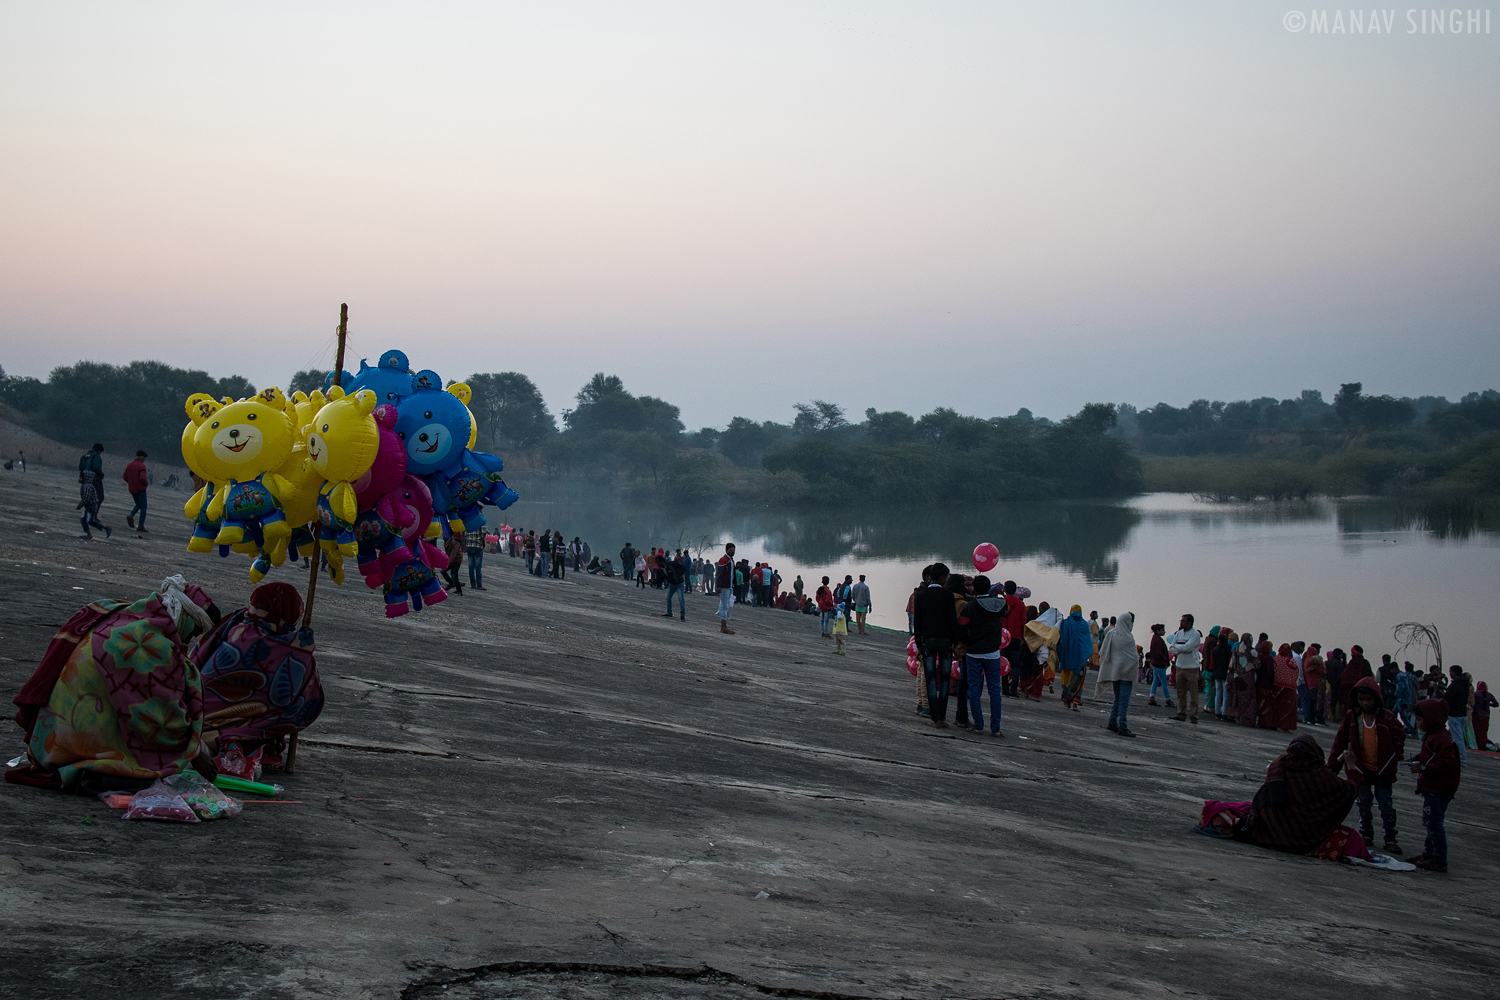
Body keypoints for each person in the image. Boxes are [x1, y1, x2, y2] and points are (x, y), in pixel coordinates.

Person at [7, 575, 219, 792]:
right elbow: (157, 716)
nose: (187, 641)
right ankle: (88, 774)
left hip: (52, 737)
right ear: (186, 617)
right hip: (73, 741)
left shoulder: (123, 614)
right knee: (153, 778)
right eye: (193, 632)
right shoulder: (153, 644)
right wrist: (193, 753)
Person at [1225, 735, 1365, 860]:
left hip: (1270, 832)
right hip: (1306, 837)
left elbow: (1262, 801)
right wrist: (1351, 765)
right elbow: (1349, 791)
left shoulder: (1277, 767)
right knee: (1351, 838)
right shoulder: (1322, 776)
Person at [1328, 676, 1406, 855]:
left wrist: (1395, 757)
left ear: (1376, 698)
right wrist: (1332, 769)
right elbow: (1339, 742)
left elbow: (1399, 736)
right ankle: (1367, 834)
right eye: (1361, 699)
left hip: (1383, 770)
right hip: (1360, 770)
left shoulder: (1387, 717)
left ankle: (1390, 837)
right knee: (1363, 803)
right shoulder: (1352, 717)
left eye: (1368, 699)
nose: (1365, 703)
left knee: (1386, 804)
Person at [1405, 698, 1461, 872]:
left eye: (1420, 719)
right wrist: (1415, 759)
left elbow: (1446, 764)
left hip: (1439, 789)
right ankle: (1429, 853)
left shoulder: (1441, 739)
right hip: (1433, 789)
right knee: (1430, 823)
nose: (1417, 723)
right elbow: (1430, 756)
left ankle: (1439, 858)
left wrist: (1423, 768)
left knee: (1435, 824)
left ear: (1431, 719)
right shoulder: (1433, 737)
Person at [957, 575, 1007, 736]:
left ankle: (978, 725)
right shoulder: (1000, 604)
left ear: (975, 589)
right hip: (993, 653)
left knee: (973, 689)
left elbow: (961, 625)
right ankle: (996, 728)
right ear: (990, 588)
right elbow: (1007, 612)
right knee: (994, 690)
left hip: (974, 652)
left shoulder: (971, 606)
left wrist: (967, 640)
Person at [912, 562, 959, 728]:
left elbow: (917, 623)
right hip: (945, 640)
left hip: (927, 641)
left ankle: (935, 718)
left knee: (930, 678)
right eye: (946, 577)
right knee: (944, 679)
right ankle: (942, 716)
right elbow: (952, 621)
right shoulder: (947, 595)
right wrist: (955, 642)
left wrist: (918, 644)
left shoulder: (921, 595)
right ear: (941, 577)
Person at [1097, 611, 1139, 737]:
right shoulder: (1128, 637)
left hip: (1115, 671)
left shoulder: (1111, 633)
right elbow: (1133, 657)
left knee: (1117, 698)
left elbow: (1105, 651)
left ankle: (1112, 722)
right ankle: (1123, 726)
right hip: (1126, 673)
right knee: (1124, 700)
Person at [1056, 605, 1093, 712]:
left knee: (1067, 677)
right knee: (1078, 679)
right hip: (1080, 658)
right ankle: (1075, 703)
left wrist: (1060, 653)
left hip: (1067, 655)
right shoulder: (1084, 624)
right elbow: (1087, 643)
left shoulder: (1066, 623)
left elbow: (1061, 639)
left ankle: (1067, 700)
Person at [1168, 614, 1203, 724]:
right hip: (1180, 666)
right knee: (1180, 692)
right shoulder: (1178, 633)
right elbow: (1171, 648)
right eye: (1181, 620)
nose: (1181, 623)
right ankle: (1181, 713)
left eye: (1183, 621)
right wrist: (1181, 648)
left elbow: (1188, 648)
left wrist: (1178, 647)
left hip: (1192, 667)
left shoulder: (1195, 634)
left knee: (1193, 693)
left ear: (1190, 622)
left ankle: (1194, 715)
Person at [1269, 643, 1299, 732]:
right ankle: (1284, 726)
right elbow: (1296, 673)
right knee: (1287, 708)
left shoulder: (1277, 659)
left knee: (1277, 707)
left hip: (1277, 686)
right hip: (1290, 688)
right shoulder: (1292, 661)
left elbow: (1274, 671)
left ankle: (1275, 724)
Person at [1444, 665, 1471, 766]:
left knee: (1457, 738)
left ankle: (1462, 760)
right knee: (1456, 736)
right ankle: (1454, 756)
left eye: (1450, 671)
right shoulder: (1465, 685)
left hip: (1454, 714)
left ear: (1454, 672)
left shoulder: (1455, 685)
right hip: (1463, 713)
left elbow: (1447, 698)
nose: (1450, 673)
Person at [1232, 630, 1258, 726]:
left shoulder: (1236, 649)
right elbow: (1257, 665)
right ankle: (1247, 720)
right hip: (1248, 680)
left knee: (1239, 699)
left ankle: (1239, 718)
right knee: (1249, 700)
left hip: (1237, 678)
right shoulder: (1252, 651)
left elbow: (1232, 664)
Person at [77, 470, 111, 539]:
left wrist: (80, 505)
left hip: (91, 506)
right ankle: (89, 534)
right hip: (89, 506)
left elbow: (86, 498)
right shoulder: (87, 485)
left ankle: (105, 528)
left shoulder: (87, 486)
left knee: (90, 521)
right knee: (84, 520)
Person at [1145, 623, 1172, 707]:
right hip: (1160, 664)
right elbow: (1159, 653)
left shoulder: (1154, 639)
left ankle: (1152, 696)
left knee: (1155, 680)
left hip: (1155, 663)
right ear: (1158, 631)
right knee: (1164, 682)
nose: (1164, 631)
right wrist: (1165, 659)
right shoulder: (1159, 640)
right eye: (1163, 630)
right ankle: (1168, 699)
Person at [123, 449, 149, 531]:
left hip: (132, 489)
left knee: (138, 504)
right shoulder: (142, 466)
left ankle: (131, 515)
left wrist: (131, 483)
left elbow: (125, 477)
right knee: (144, 507)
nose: (144, 460)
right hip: (140, 489)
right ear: (141, 457)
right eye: (144, 458)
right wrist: (145, 483)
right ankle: (141, 525)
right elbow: (142, 477)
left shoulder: (130, 465)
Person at [715, 543, 737, 634]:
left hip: (729, 586)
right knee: (724, 606)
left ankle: (724, 626)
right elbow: (719, 574)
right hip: (724, 586)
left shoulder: (730, 560)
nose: (733, 552)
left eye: (733, 550)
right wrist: (719, 586)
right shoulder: (724, 560)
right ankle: (724, 627)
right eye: (731, 550)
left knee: (727, 606)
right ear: (726, 550)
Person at [1303, 644, 1327, 726]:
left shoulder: (1306, 661)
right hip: (1316, 684)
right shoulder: (1314, 661)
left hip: (1309, 684)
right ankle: (1318, 720)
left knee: (1311, 703)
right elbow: (1323, 672)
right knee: (1318, 703)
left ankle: (1310, 719)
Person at [1394, 663, 1419, 734]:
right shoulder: (1413, 677)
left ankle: (1405, 728)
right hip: (1412, 697)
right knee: (1413, 713)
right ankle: (1412, 730)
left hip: (1402, 698)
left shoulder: (1402, 676)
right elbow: (1417, 687)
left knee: (1405, 714)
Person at [78, 442, 105, 508]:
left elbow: (80, 468)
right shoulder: (96, 456)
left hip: (85, 480)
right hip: (95, 480)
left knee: (87, 497)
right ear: (99, 450)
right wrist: (101, 475)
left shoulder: (84, 456)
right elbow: (96, 467)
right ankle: (93, 515)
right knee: (99, 497)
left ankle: (85, 515)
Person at [663, 549, 687, 621]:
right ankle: (670, 612)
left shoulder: (674, 562)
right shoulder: (676, 560)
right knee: (670, 598)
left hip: (678, 583)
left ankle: (682, 615)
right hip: (674, 583)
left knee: (680, 599)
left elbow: (682, 568)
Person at [1474, 681, 1496, 750]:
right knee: (1484, 732)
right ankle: (1483, 745)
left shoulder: (1476, 694)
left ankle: (1477, 745)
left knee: (1476, 731)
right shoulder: (1489, 695)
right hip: (1486, 716)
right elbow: (1496, 704)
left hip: (1477, 715)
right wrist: (1489, 704)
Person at [465, 526, 487, 591]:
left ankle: (472, 584)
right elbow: (483, 533)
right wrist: (480, 539)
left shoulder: (469, 522)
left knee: (471, 566)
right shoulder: (480, 522)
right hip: (477, 546)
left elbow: (465, 534)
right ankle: (479, 585)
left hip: (469, 546)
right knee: (478, 567)